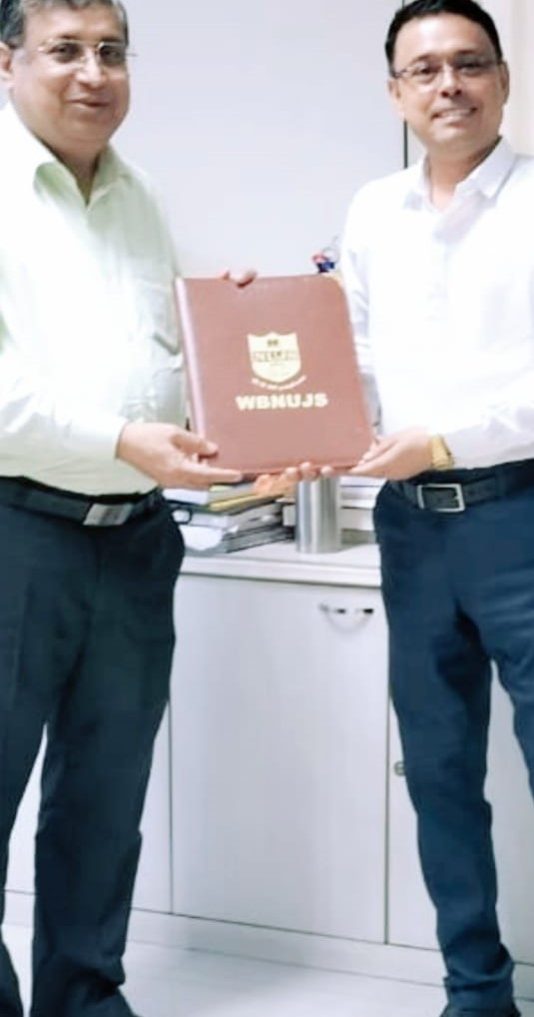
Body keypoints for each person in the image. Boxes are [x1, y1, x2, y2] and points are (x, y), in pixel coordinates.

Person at [0, 1, 248, 1014]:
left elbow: (169, 365)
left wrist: (237, 332)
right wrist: (117, 438)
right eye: (64, 50)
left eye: (111, 51)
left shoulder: (141, 197)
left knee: (105, 800)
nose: (93, 73)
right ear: (7, 62)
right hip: (16, 535)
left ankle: (84, 996)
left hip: (136, 541)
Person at [340, 1, 534, 1015]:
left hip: (522, 518)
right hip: (411, 528)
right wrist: (287, 422)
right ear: (395, 93)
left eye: (469, 63)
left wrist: (448, 438)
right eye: (424, 70)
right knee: (440, 771)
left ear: (502, 78)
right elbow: (355, 359)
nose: (448, 85)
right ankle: (476, 991)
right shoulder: (373, 210)